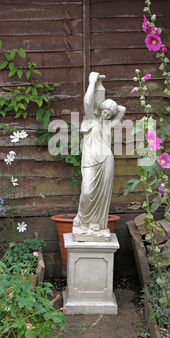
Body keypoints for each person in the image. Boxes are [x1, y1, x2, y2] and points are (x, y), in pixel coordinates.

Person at [72, 72, 126, 241]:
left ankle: (96, 224)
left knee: (102, 196)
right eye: (106, 111)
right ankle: (82, 221)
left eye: (110, 113)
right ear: (101, 107)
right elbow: (88, 102)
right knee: (87, 192)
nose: (107, 114)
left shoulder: (108, 124)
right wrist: (92, 82)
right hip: (90, 161)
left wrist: (111, 107)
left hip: (106, 161)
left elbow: (122, 110)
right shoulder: (89, 120)